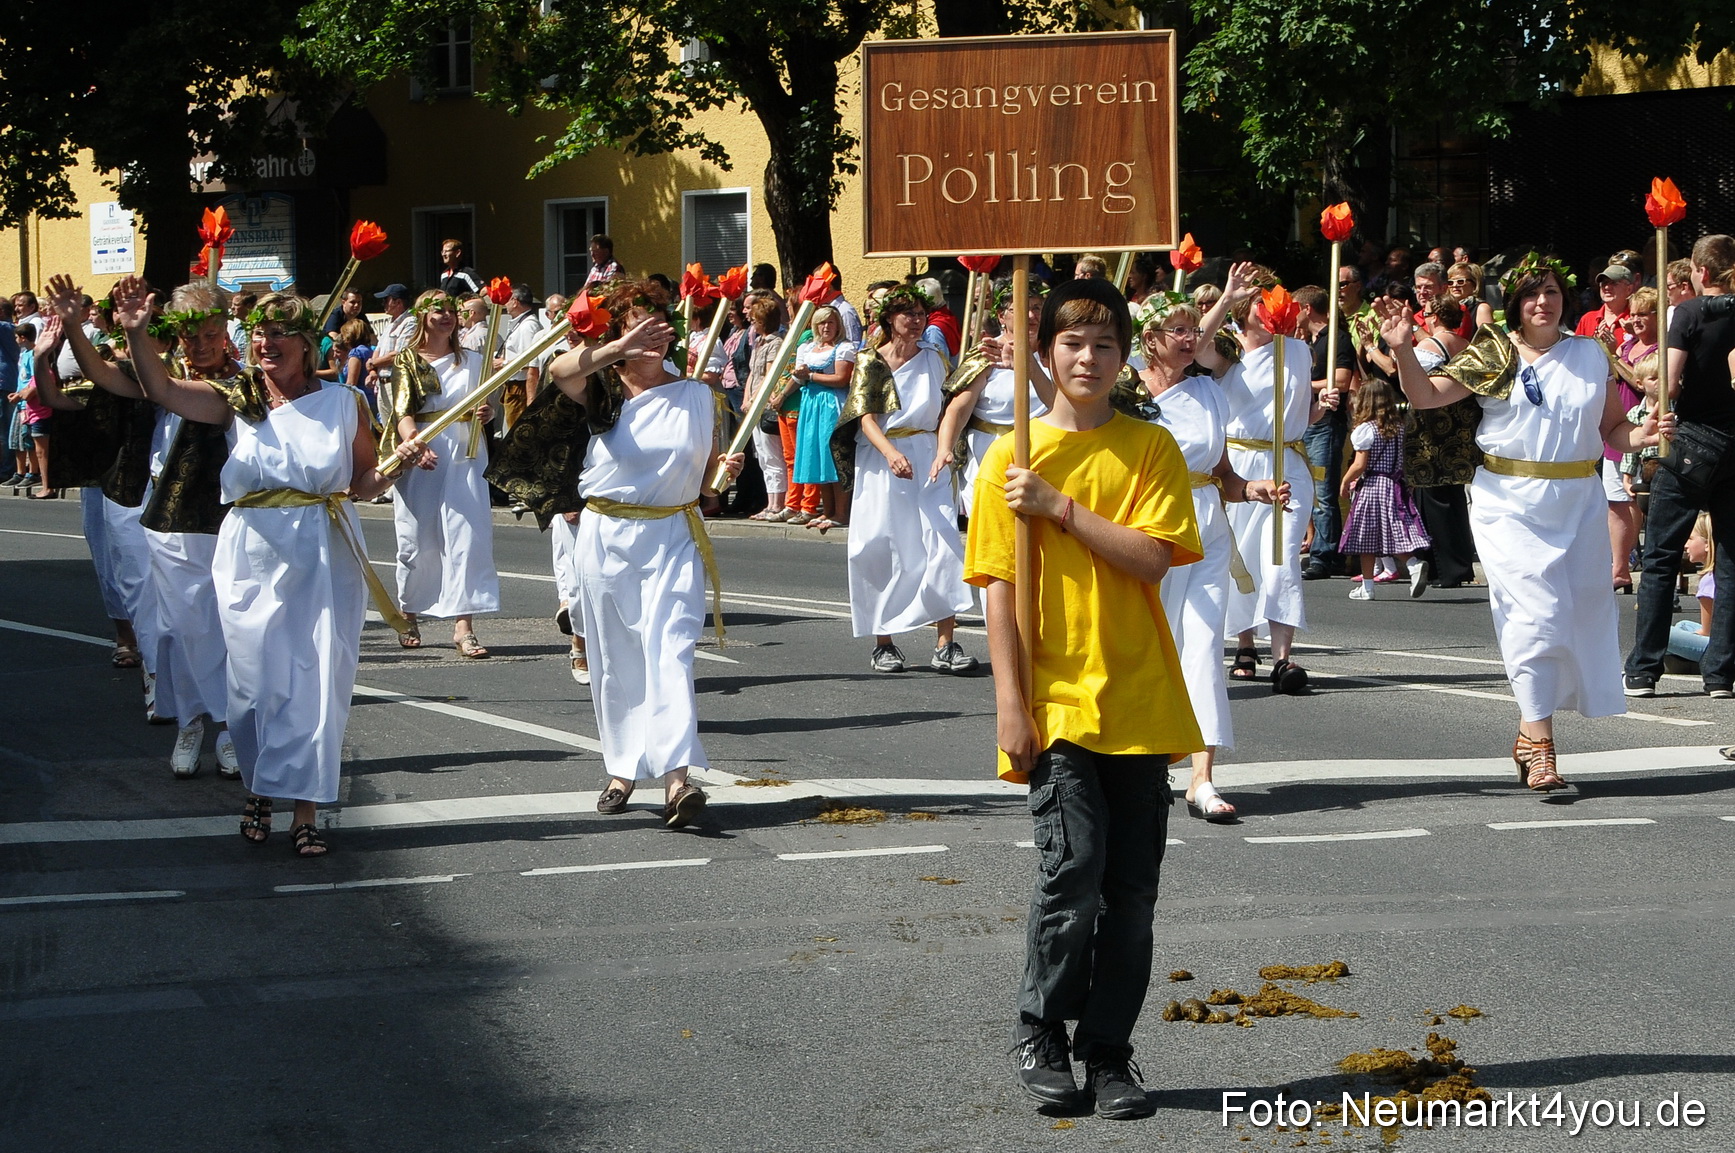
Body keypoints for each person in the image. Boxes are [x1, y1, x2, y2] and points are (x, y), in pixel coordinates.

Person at [965, 276, 1202, 1121]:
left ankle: (1107, 1050)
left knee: (1130, 894)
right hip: (1054, 698)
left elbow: (1150, 557)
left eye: (1104, 344)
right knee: (1072, 870)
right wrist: (1010, 702)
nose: (1088, 358)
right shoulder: (1010, 454)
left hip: (1138, 696)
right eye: (1071, 342)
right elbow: (996, 588)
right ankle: (1041, 1028)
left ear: (1124, 356)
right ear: (1045, 352)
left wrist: (1058, 506)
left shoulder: (1149, 447)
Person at [112, 278, 433, 855]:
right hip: (250, 552)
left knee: (315, 683)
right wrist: (137, 332)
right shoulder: (237, 397)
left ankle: (305, 810)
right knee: (253, 685)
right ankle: (261, 785)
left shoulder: (344, 402)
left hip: (324, 549)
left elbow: (362, 482)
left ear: (306, 343)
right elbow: (160, 388)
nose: (266, 343)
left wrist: (397, 464)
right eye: (259, 333)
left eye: (279, 333)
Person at [1382, 253, 1671, 791]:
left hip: (1579, 499)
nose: (1543, 302)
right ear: (1515, 304)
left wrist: (1644, 434)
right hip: (1509, 501)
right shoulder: (1494, 351)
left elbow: (1612, 430)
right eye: (1533, 294)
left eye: (1552, 292)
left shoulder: (1590, 352)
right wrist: (1401, 348)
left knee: (1573, 618)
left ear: (1566, 299)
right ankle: (1542, 746)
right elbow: (1424, 395)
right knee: (1536, 616)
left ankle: (1526, 728)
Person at [536, 278, 744, 827]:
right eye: (638, 328)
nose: (653, 337)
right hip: (607, 536)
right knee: (617, 658)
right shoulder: (599, 390)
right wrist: (616, 349)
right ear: (618, 335)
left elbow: (707, 483)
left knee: (672, 652)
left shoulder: (697, 394)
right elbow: (559, 370)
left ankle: (677, 780)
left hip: (674, 534)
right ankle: (622, 770)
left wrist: (723, 475)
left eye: (659, 327)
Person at [45, 274, 244, 778]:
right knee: (178, 628)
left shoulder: (246, 384)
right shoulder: (163, 373)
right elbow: (104, 375)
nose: (200, 344)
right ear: (176, 335)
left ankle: (229, 727)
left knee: (230, 627)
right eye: (189, 335)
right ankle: (190, 722)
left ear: (226, 330)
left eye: (209, 333)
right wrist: (74, 327)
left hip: (231, 520)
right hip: (171, 519)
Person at [1135, 291, 1287, 823]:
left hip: (1207, 530)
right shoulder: (1127, 392)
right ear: (1150, 339)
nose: (1190, 338)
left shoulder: (1207, 392)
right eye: (1177, 329)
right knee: (1154, 645)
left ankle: (1202, 778)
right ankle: (1145, 762)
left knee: (1203, 646)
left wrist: (1254, 490)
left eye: (1192, 329)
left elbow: (1223, 475)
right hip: (1150, 526)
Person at [1196, 263, 1341, 694]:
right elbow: (1196, 346)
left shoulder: (1297, 350)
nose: (1274, 309)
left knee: (1281, 560)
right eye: (1263, 303)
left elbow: (1295, 418)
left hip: (1288, 465)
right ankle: (1245, 645)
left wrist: (1320, 407)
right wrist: (1225, 297)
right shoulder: (1229, 350)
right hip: (1240, 467)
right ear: (1246, 311)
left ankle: (1283, 658)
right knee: (1241, 559)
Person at [835, 284, 977, 673]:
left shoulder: (934, 358)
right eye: (907, 314)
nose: (916, 321)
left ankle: (945, 643)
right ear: (889, 319)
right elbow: (865, 419)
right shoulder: (871, 361)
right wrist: (891, 453)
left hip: (928, 454)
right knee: (880, 544)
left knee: (942, 542)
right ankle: (884, 643)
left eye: (920, 313)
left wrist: (946, 449)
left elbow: (949, 407)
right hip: (882, 458)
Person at [1625, 234, 1735, 699]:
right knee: (1730, 562)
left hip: (1691, 443)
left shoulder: (1688, 313)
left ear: (1701, 272)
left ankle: (1644, 669)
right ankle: (1720, 673)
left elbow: (1667, 383)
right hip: (1734, 445)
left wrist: (1650, 393)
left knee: (1661, 558)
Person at [383, 290, 502, 657]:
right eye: (439, 311)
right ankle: (409, 612)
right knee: (417, 537)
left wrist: (488, 413)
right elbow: (402, 412)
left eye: (452, 310)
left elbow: (490, 406)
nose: (447, 316)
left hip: (466, 451)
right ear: (423, 316)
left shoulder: (475, 360)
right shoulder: (407, 360)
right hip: (424, 448)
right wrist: (414, 445)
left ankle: (464, 626)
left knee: (468, 536)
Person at [933, 276, 1049, 520]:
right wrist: (944, 449)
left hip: (1043, 451)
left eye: (1037, 307)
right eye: (1020, 308)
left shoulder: (1055, 352)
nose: (1030, 315)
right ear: (1001, 316)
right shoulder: (987, 354)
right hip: (990, 451)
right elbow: (958, 409)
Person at [1338, 378, 1432, 599]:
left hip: (1373, 486)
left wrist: (1345, 481)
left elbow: (1360, 464)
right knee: (1390, 532)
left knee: (1366, 537)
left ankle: (1368, 587)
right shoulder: (1398, 427)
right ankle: (1412, 563)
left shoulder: (1366, 429)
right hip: (1394, 483)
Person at [1295, 285, 1356, 581]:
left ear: (1307, 309)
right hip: (1307, 421)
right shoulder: (1309, 342)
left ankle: (1326, 555)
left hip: (1326, 422)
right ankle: (1320, 548)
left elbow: (1341, 381)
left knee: (1323, 492)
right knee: (1309, 490)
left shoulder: (1337, 339)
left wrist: (1300, 384)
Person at [788, 306, 855, 530]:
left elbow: (841, 379)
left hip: (831, 404)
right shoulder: (808, 348)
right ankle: (827, 510)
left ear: (838, 325)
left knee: (833, 457)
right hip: (811, 404)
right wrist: (787, 389)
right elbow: (799, 378)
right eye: (822, 323)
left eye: (831, 322)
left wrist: (810, 375)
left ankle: (841, 513)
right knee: (818, 457)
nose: (826, 327)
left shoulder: (843, 347)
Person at [740, 294, 790, 521]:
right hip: (754, 406)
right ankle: (770, 502)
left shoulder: (775, 343)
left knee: (772, 455)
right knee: (762, 456)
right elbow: (753, 374)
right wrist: (746, 398)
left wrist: (755, 399)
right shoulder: (759, 342)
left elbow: (770, 375)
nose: (751, 322)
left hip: (765, 406)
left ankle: (777, 503)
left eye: (755, 319)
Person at [496, 283, 543, 433]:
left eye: (507, 300)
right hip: (515, 387)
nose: (505, 304)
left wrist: (503, 363)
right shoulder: (522, 324)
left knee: (517, 432)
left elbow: (530, 361)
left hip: (521, 388)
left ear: (515, 301)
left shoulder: (528, 326)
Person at [1576, 264, 1634, 345]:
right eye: (1604, 283)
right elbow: (1577, 350)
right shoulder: (1587, 319)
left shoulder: (1635, 319)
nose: (1607, 287)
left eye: (1614, 283)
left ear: (1629, 289)